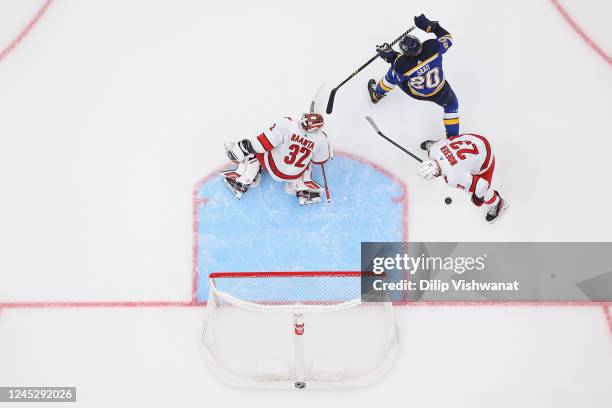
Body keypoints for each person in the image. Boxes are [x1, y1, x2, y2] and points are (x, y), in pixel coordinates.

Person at [368, 14, 459, 149]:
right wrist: (431, 27)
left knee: (393, 73)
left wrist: (389, 55)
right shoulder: (432, 46)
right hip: (441, 90)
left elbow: (398, 65)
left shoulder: (401, 64)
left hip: (418, 93)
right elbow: (448, 38)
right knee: (451, 106)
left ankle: (377, 94)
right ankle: (452, 143)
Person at [221, 113, 331, 205]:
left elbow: (262, 144)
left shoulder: (288, 124)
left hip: (274, 168)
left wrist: (242, 149)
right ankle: (302, 189)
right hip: (294, 175)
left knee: (256, 151)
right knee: (307, 160)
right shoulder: (321, 139)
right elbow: (320, 161)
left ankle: (242, 183)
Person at [417, 133, 509, 223]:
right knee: (450, 141)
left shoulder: (452, 178)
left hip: (486, 158)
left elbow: (481, 185)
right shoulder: (433, 150)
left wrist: (477, 199)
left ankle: (499, 203)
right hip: (478, 140)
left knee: (479, 191)